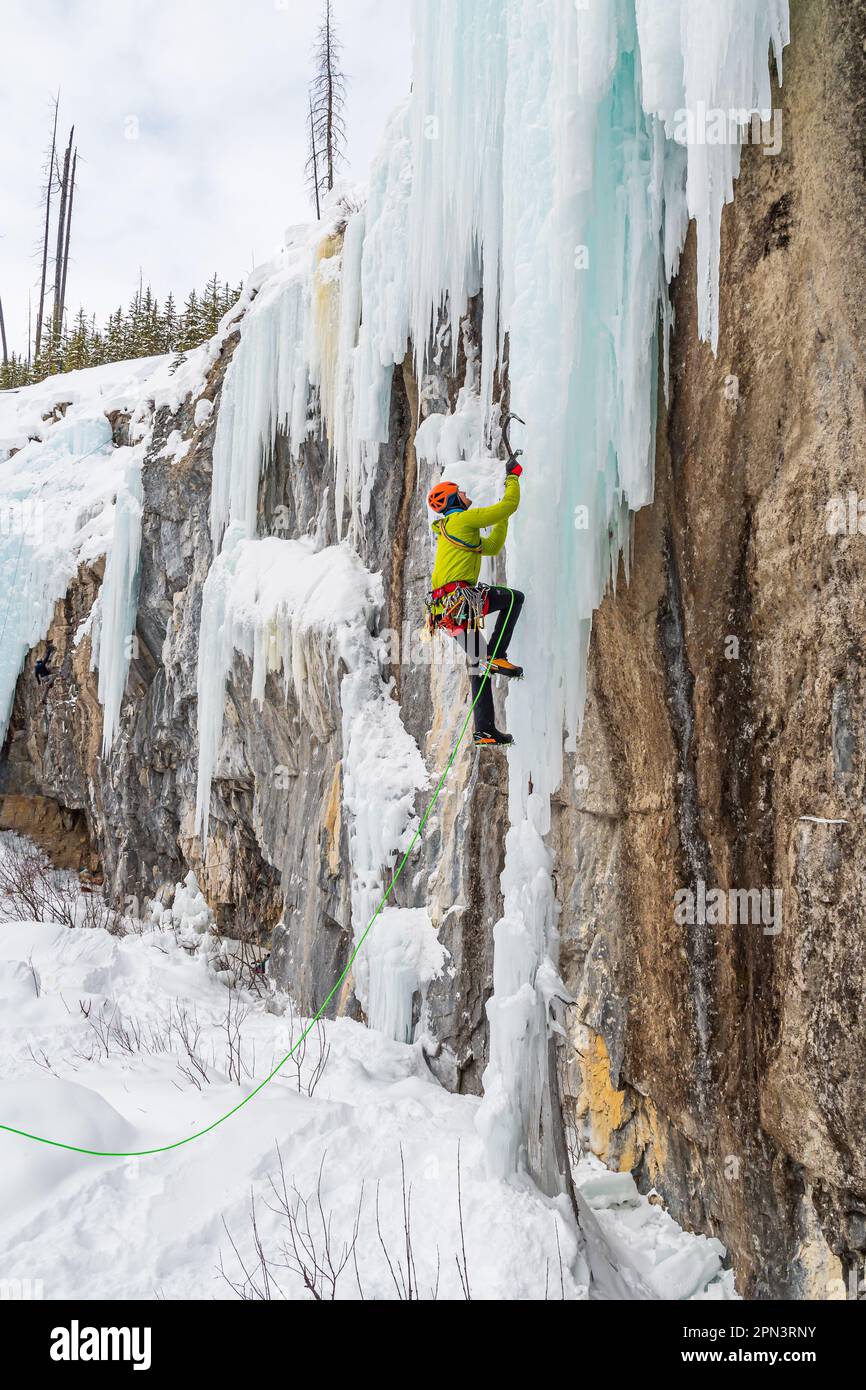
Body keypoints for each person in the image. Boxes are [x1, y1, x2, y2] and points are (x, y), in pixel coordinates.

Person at [426, 458, 525, 747]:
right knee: (513, 599)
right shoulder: (462, 520)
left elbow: (492, 547)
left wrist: (502, 521)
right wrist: (512, 479)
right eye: (463, 491)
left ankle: (484, 731)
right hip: (461, 602)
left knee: (477, 665)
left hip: (446, 612)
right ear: (454, 498)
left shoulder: (452, 529)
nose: (467, 494)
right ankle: (498, 654)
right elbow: (508, 505)